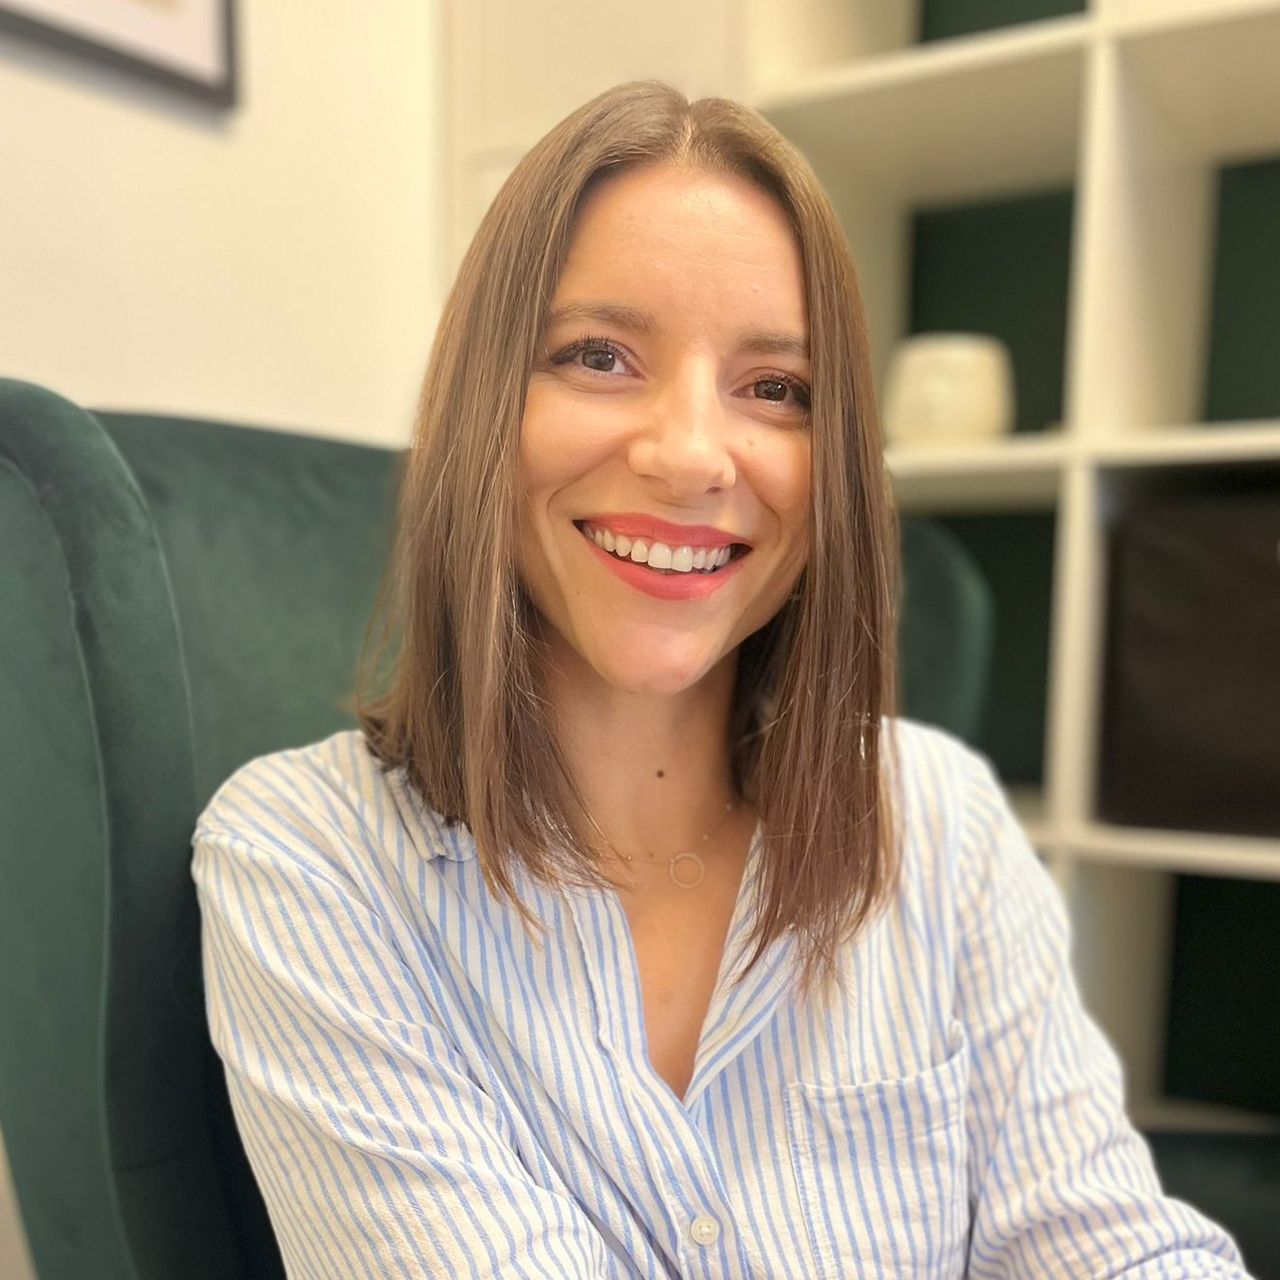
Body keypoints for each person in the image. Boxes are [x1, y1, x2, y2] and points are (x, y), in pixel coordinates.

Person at [190, 80, 1254, 1279]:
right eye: (598, 356)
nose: (692, 455)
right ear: (482, 410)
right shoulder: (307, 859)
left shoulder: (940, 820)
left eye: (774, 388)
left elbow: (1105, 1242)